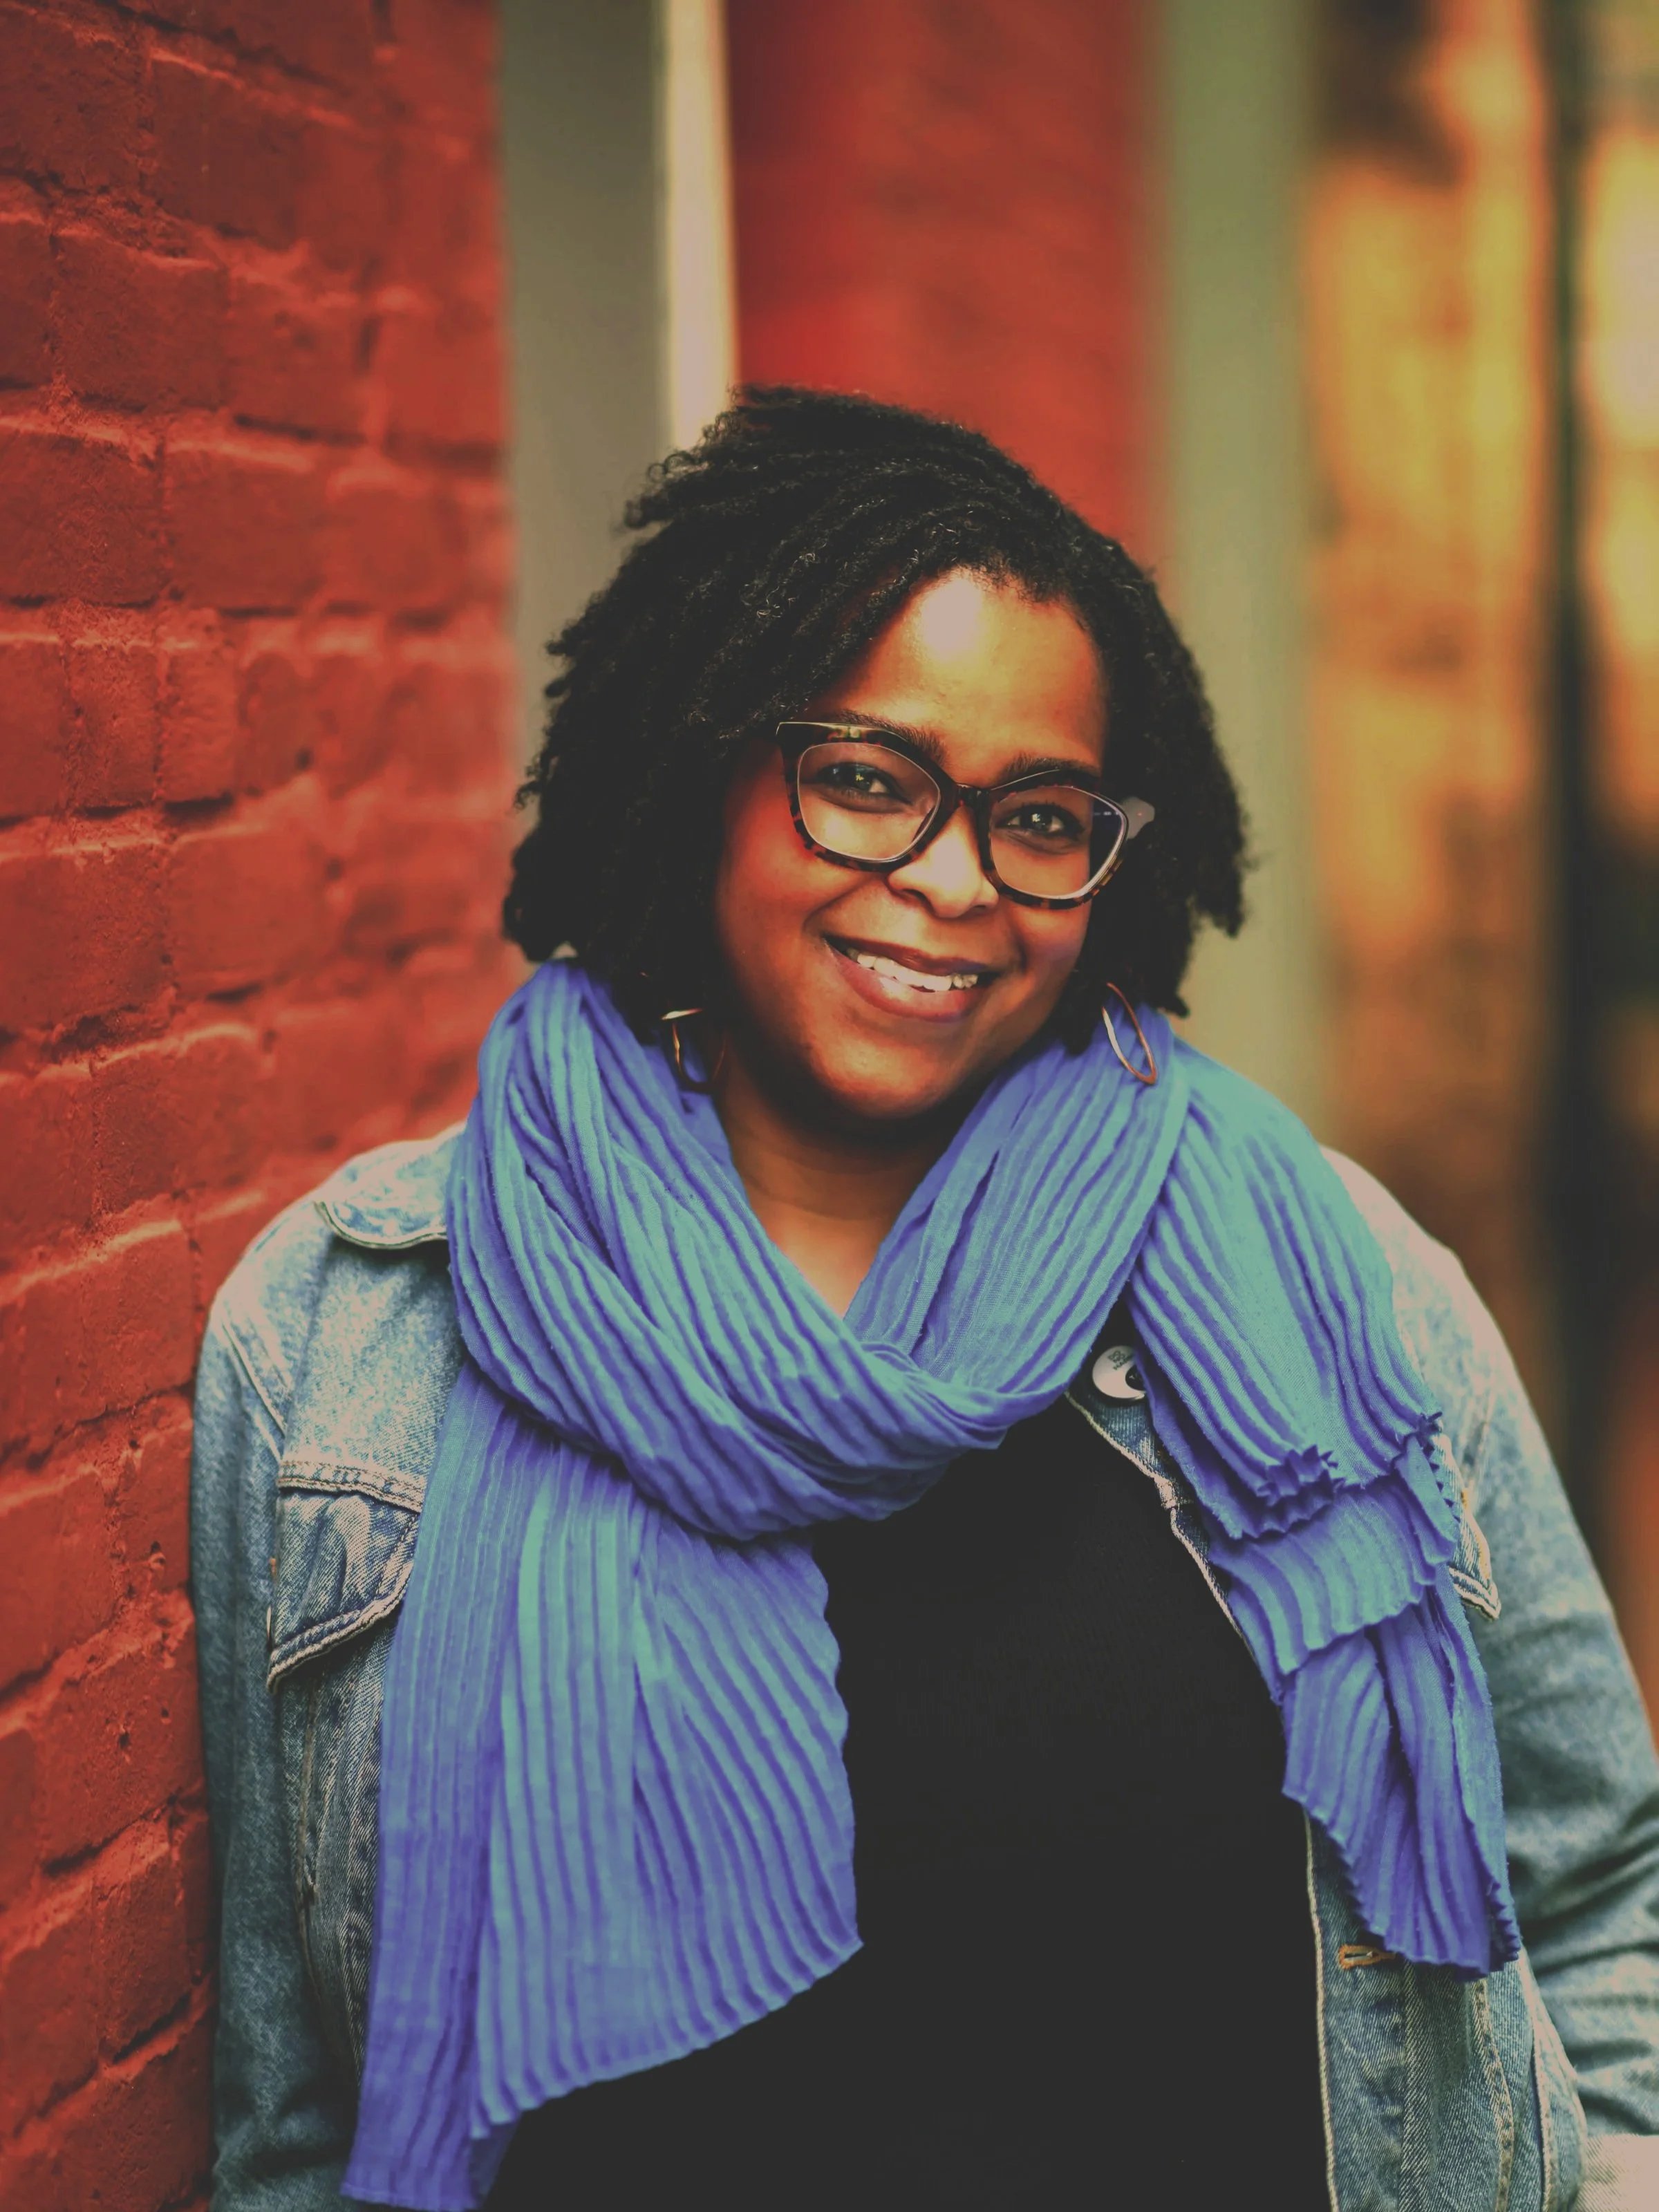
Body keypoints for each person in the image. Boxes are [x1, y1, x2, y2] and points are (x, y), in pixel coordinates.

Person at [192, 390, 1659, 2212]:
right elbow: (289, 2130)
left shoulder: (1338, 1294)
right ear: (698, 764)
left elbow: (1596, 1894)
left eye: (1040, 814)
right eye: (871, 778)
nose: (955, 880)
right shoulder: (346, 1339)